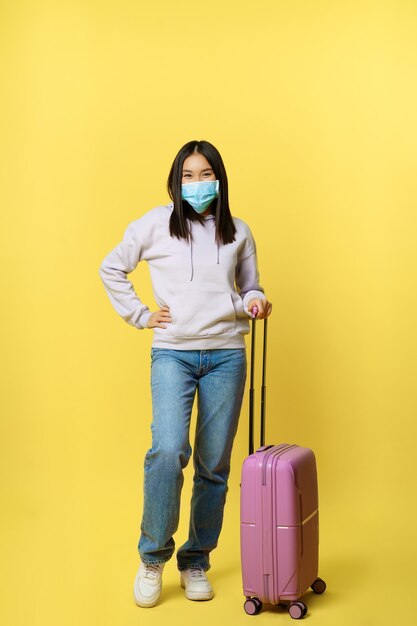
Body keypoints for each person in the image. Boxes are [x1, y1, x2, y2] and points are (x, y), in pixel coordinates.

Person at [99, 140, 272, 608]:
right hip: (173, 354)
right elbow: (111, 267)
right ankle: (153, 557)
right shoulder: (154, 224)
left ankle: (196, 560)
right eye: (188, 176)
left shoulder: (238, 230)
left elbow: (249, 286)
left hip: (227, 354)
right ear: (175, 181)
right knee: (169, 449)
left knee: (213, 465)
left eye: (206, 174)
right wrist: (140, 315)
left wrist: (254, 301)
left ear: (220, 179)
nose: (197, 184)